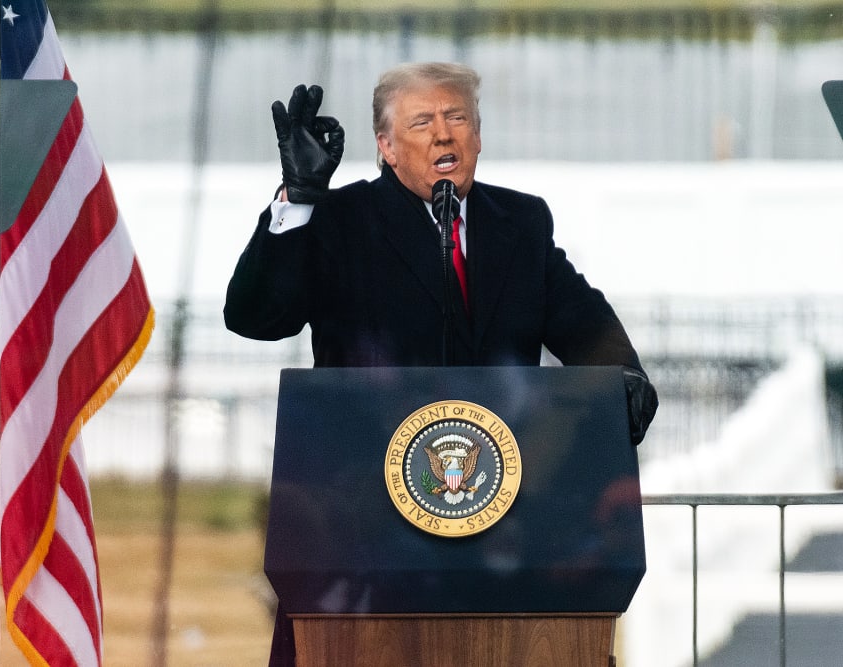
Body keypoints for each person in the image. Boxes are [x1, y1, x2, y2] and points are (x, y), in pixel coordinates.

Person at [224, 62, 658, 665]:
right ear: (386, 146)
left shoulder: (521, 223)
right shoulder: (340, 222)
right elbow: (255, 318)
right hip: (367, 535)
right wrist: (298, 199)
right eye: (422, 121)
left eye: (457, 118)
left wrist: (623, 372)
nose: (443, 134)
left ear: (478, 136)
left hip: (506, 531)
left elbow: (581, 317)